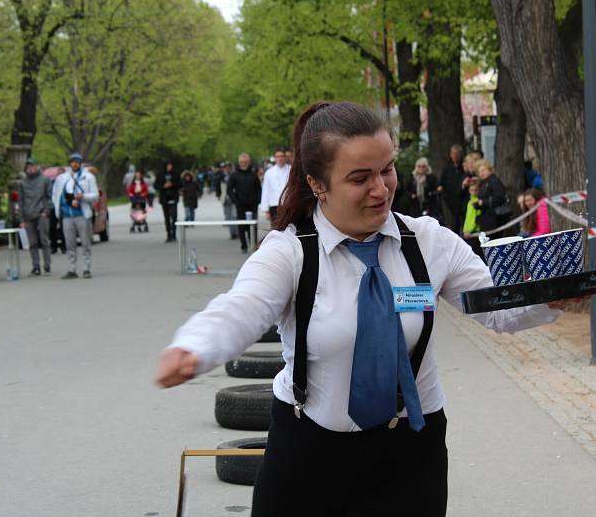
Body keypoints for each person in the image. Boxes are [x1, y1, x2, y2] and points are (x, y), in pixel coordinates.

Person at [156, 101, 566, 517]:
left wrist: (552, 295)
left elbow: (494, 307)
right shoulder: (290, 253)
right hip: (307, 451)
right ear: (318, 184)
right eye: (359, 178)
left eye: (386, 169)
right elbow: (241, 309)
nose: (381, 188)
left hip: (410, 451)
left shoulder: (428, 242)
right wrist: (195, 347)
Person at [52, 152, 99, 279]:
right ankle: (71, 269)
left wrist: (83, 197)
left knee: (85, 243)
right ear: (69, 163)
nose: (75, 164)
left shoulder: (88, 177)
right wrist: (67, 202)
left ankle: (86, 268)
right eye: (73, 161)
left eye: (77, 161)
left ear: (80, 163)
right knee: (69, 244)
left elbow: (95, 195)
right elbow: (57, 195)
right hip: (67, 216)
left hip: (82, 214)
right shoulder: (62, 178)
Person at [19, 158, 53, 276]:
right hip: (28, 215)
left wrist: (46, 211)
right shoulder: (23, 182)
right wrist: (21, 219)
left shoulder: (45, 179)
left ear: (37, 166)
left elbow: (49, 196)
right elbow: (21, 201)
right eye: (29, 166)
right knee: (32, 242)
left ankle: (47, 266)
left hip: (41, 213)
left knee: (44, 240)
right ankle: (36, 267)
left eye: (33, 165)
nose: (31, 168)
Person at [227, 153, 262, 253]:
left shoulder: (253, 174)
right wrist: (235, 201)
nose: (244, 164)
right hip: (240, 205)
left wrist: (258, 200)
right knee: (242, 226)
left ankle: (254, 245)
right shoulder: (234, 175)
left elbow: (259, 189)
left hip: (252, 205)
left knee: (253, 226)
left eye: (246, 162)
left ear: (249, 162)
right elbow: (229, 190)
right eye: (242, 162)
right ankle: (244, 245)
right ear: (239, 162)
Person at [473, 159, 509, 234]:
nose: (481, 173)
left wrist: (483, 203)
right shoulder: (483, 183)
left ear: (489, 169)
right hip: (487, 217)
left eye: (483, 170)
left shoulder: (494, 181)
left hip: (495, 218)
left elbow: (499, 198)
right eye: (479, 172)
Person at [437, 144, 466, 234]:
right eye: (453, 153)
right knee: (452, 221)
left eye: (457, 153)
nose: (455, 156)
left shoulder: (463, 167)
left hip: (462, 198)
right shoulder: (447, 168)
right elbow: (441, 183)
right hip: (449, 199)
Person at [260, 148, 292, 222]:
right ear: (275, 158)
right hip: (274, 205)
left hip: (288, 205)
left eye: (282, 156)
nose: (280, 159)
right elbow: (265, 190)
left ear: (285, 157)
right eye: (277, 156)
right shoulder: (269, 173)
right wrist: (266, 210)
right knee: (276, 230)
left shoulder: (291, 170)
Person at [406, 157, 440, 222]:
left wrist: (431, 194)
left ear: (427, 167)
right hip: (415, 205)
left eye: (423, 166)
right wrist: (411, 195)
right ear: (416, 167)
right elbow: (406, 190)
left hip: (429, 206)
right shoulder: (412, 178)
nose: (421, 168)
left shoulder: (431, 177)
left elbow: (437, 189)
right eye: (419, 166)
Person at [155, 161, 181, 242]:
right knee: (166, 217)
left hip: (173, 198)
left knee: (174, 216)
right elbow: (156, 185)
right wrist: (163, 186)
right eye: (168, 165)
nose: (169, 167)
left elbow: (180, 184)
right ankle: (168, 234)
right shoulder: (160, 175)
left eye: (171, 165)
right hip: (164, 198)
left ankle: (174, 234)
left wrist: (172, 184)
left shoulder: (175, 174)